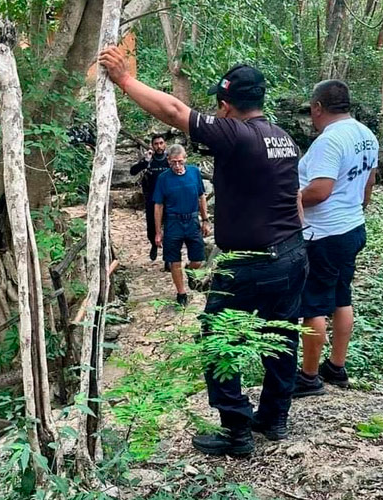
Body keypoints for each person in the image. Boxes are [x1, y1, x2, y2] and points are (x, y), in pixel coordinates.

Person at [99, 48, 307, 457]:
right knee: (281, 336)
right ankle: (274, 418)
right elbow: (294, 199)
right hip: (291, 253)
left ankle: (236, 432)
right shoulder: (283, 139)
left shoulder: (237, 133)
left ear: (226, 106)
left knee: (217, 339)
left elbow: (176, 112)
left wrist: (125, 81)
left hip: (249, 263)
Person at [293, 80, 378, 398]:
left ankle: (309, 376)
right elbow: (368, 183)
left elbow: (320, 190)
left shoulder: (329, 141)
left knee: (313, 304)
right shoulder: (366, 135)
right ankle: (336, 367)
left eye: (311, 110)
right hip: (352, 227)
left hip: (324, 234)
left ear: (318, 107)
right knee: (341, 297)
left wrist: (289, 200)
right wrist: (355, 211)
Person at [152, 143, 209, 306]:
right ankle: (181, 293)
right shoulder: (163, 178)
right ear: (168, 161)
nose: (177, 165)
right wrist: (158, 231)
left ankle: (190, 270)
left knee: (198, 258)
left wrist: (205, 220)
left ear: (185, 159)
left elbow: (201, 196)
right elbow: (158, 205)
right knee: (174, 261)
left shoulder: (194, 173)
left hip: (192, 220)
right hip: (173, 222)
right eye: (173, 162)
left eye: (180, 161)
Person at [130, 134, 170, 262]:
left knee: (169, 228)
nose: (159, 146)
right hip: (152, 199)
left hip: (168, 199)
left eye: (161, 143)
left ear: (165, 144)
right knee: (151, 228)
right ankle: (153, 244)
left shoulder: (169, 159)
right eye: (156, 144)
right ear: (152, 146)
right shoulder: (149, 160)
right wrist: (145, 162)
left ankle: (168, 258)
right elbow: (133, 171)